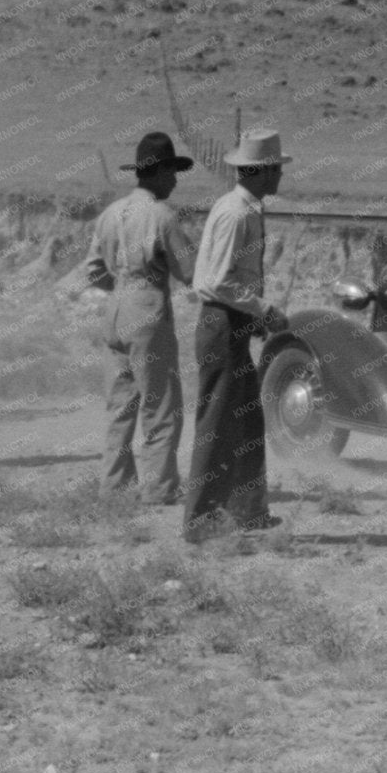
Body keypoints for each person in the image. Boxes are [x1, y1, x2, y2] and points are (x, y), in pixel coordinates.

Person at [185, 128, 293, 539]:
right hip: (221, 325)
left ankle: (248, 511)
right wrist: (263, 309)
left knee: (247, 422)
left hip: (233, 324)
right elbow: (216, 281)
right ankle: (201, 520)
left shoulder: (243, 208)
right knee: (217, 425)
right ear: (262, 171)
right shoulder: (237, 214)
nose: (280, 177)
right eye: (276, 169)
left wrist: (254, 317)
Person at [86, 131, 199, 508]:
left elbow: (92, 271)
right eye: (172, 171)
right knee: (161, 403)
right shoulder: (162, 216)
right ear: (159, 172)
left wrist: (121, 285)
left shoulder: (109, 214)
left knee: (120, 405)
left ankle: (114, 486)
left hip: (115, 305)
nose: (175, 180)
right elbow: (190, 272)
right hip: (147, 307)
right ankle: (160, 487)